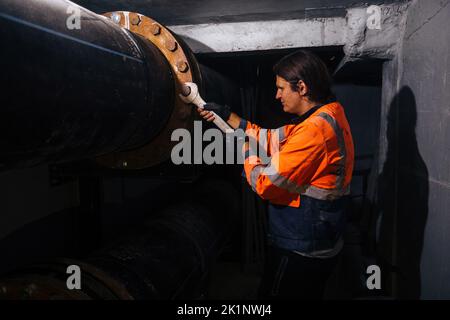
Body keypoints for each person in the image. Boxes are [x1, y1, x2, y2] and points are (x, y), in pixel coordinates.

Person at [198, 50, 354, 299]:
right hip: (318, 237)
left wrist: (244, 148)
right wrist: (229, 116)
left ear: (301, 87)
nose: (277, 95)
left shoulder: (314, 131)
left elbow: (265, 184)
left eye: (282, 88)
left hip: (302, 247)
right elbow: (271, 138)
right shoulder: (328, 113)